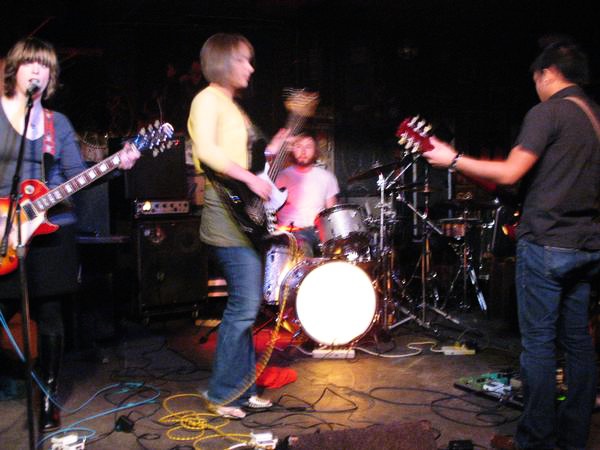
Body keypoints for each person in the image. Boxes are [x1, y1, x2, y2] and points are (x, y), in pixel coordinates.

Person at [422, 38, 600, 450]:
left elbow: (511, 171)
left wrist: (452, 159)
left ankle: (536, 441)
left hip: (548, 245)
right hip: (587, 246)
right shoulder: (593, 116)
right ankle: (573, 440)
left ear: (548, 73)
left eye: (536, 78)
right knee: (577, 343)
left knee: (538, 345)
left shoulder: (548, 111)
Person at [0, 37, 140, 432]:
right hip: (2, 228)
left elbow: (76, 177)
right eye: (30, 63)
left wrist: (117, 165)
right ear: (15, 68)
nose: (37, 72)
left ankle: (48, 401)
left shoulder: (55, 124)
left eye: (45, 66)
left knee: (51, 318)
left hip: (51, 232)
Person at [187, 32, 288, 419]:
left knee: (247, 307)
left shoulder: (233, 107)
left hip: (239, 209)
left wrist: (270, 151)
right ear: (224, 62)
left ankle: (240, 390)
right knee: (244, 307)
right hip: (223, 208)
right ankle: (223, 393)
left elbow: (244, 161)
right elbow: (208, 154)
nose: (250, 67)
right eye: (244, 60)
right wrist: (250, 180)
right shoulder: (207, 99)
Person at [275, 132, 339, 256]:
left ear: (315, 151)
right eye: (299, 146)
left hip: (319, 231)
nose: (303, 151)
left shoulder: (327, 177)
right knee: (303, 247)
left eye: (308, 147)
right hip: (292, 233)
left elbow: (331, 213)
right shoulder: (281, 177)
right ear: (292, 149)